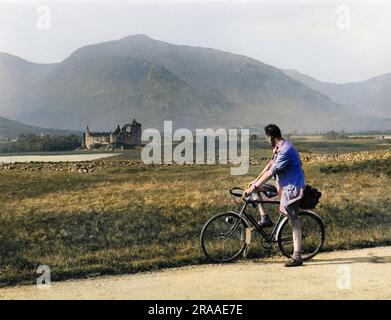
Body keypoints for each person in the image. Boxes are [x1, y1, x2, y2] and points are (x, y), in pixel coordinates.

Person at [244, 124, 305, 267]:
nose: (267, 140)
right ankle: (265, 218)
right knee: (256, 190)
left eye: (267, 137)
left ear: (270, 136)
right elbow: (270, 165)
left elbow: (271, 172)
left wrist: (255, 185)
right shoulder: (278, 148)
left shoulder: (285, 150)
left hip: (292, 186)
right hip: (281, 183)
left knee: (293, 221)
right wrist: (255, 182)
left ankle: (297, 257)